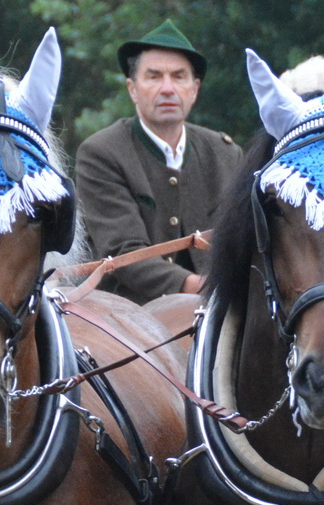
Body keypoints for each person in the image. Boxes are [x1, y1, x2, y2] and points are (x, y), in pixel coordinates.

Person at [74, 20, 241, 303]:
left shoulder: (225, 152)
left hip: (219, 312)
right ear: (132, 89)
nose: (167, 89)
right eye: (153, 77)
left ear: (195, 89)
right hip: (127, 320)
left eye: (178, 77)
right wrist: (201, 288)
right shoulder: (101, 152)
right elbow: (122, 251)